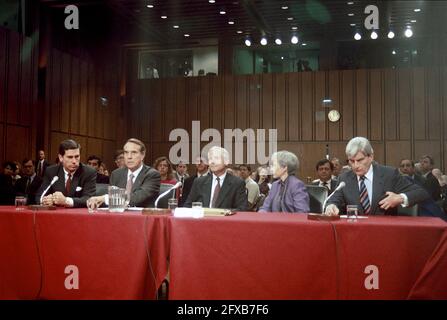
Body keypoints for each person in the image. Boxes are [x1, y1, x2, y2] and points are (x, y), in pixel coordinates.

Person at [324, 137, 430, 216]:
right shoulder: (344, 179)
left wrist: (400, 198)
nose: (355, 166)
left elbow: (421, 193)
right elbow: (333, 199)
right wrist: (331, 206)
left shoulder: (389, 174)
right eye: (351, 161)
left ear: (371, 156)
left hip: (384, 233)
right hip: (355, 234)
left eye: (360, 160)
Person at [87, 138, 160, 208]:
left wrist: (105, 199)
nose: (129, 157)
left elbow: (136, 198)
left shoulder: (152, 174)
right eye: (126, 152)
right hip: (118, 217)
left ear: (142, 155)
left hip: (142, 218)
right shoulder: (116, 174)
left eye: (134, 152)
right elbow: (112, 203)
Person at [36, 139, 97, 208]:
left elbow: (89, 199)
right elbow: (39, 196)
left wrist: (65, 201)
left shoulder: (88, 172)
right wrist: (45, 201)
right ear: (61, 157)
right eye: (70, 157)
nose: (74, 161)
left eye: (77, 156)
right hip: (56, 216)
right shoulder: (51, 171)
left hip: (78, 216)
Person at [184, 146, 248, 210]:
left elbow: (242, 209)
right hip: (202, 218)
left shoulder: (237, 183)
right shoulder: (199, 182)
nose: (212, 162)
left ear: (226, 161)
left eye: (216, 158)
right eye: (210, 159)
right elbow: (187, 206)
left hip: (225, 219)